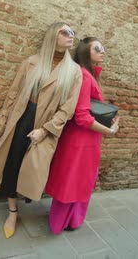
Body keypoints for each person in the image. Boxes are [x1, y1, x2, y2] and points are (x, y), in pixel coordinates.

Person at [0, 22, 83, 239]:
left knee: (32, 169)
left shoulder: (74, 72)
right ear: (52, 36)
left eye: (72, 33)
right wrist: (1, 124)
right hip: (21, 118)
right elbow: (13, 94)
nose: (70, 36)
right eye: (65, 32)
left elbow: (68, 109)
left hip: (45, 125)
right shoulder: (31, 63)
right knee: (11, 165)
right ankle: (12, 212)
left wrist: (46, 131)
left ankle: (23, 200)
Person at [44, 36, 120, 235]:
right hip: (80, 140)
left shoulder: (89, 74)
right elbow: (82, 116)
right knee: (72, 181)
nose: (103, 51)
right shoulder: (85, 75)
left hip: (86, 140)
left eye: (103, 48)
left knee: (78, 180)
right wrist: (109, 131)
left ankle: (71, 220)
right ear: (86, 52)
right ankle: (62, 222)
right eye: (98, 48)